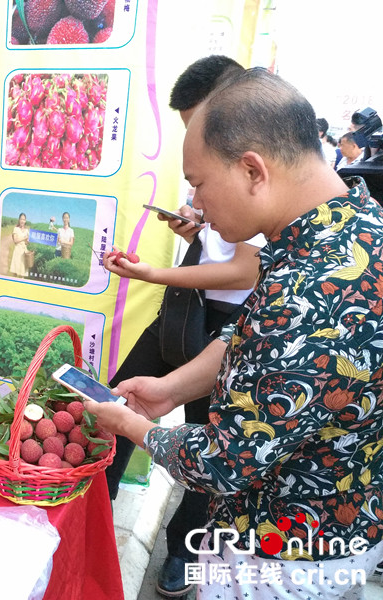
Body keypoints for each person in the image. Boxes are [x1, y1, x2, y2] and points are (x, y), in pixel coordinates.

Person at [89, 68, 383, 599]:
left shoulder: (307, 293)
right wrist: (171, 390)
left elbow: (223, 464)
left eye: (199, 183)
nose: (195, 205)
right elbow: (249, 337)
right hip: (340, 527)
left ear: (252, 169)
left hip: (283, 551)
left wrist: (133, 427)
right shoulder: (352, 224)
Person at [103, 55, 266, 598]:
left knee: (205, 436)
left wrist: (156, 270)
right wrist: (195, 224)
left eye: (201, 180)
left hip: (226, 319)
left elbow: (247, 267)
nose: (197, 193)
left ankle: (182, 553)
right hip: (187, 311)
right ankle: (94, 509)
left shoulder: (281, 211)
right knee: (119, 399)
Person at [9, 213, 29, 277]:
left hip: (24, 251)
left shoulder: (27, 230)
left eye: (24, 219)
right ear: (19, 220)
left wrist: (27, 241)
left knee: (23, 272)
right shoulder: (16, 229)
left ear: (25, 221)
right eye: (21, 219)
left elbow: (26, 243)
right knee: (15, 271)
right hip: (17, 251)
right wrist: (24, 238)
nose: (22, 221)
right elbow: (15, 240)